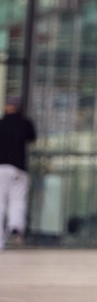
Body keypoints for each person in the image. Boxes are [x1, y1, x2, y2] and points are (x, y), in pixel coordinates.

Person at [0, 98, 35, 249]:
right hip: (19, 169)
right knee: (18, 199)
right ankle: (15, 226)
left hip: (1, 168)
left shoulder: (1, 123)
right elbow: (32, 138)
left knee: (0, 202)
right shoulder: (25, 123)